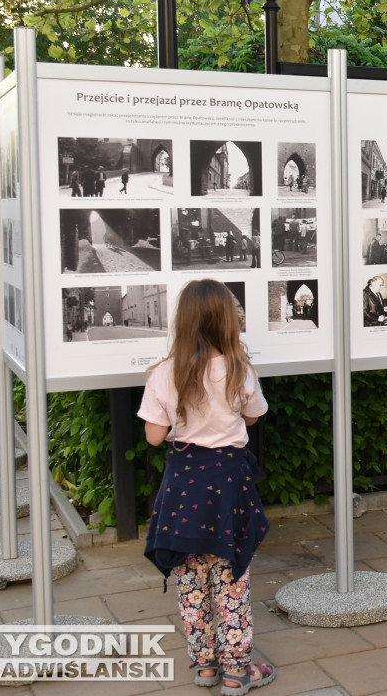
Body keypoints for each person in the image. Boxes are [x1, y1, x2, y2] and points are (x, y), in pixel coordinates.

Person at [138, 279, 275, 696]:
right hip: (229, 483)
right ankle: (238, 670)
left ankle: (205, 666)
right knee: (231, 574)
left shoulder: (166, 373)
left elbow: (153, 437)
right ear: (225, 322)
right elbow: (253, 417)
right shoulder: (239, 369)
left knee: (191, 577)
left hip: (184, 485)